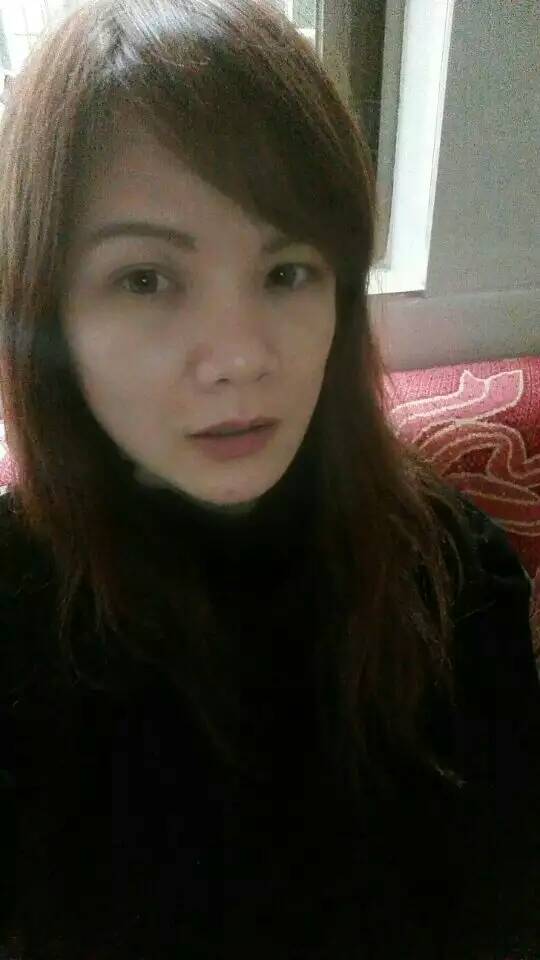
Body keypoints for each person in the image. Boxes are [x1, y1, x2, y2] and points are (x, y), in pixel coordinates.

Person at [0, 1, 539, 957]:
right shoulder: (15, 612)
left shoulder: (450, 572)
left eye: (287, 271)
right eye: (146, 279)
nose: (242, 356)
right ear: (48, 316)